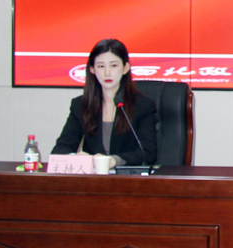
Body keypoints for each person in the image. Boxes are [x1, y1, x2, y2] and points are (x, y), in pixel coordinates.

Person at [52, 39, 157, 167]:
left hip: (126, 176)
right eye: (101, 66)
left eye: (114, 66)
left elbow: (148, 153)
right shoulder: (80, 105)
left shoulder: (143, 106)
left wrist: (114, 160)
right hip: (93, 177)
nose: (107, 73)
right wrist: (75, 158)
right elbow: (60, 149)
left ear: (125, 68)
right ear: (92, 69)